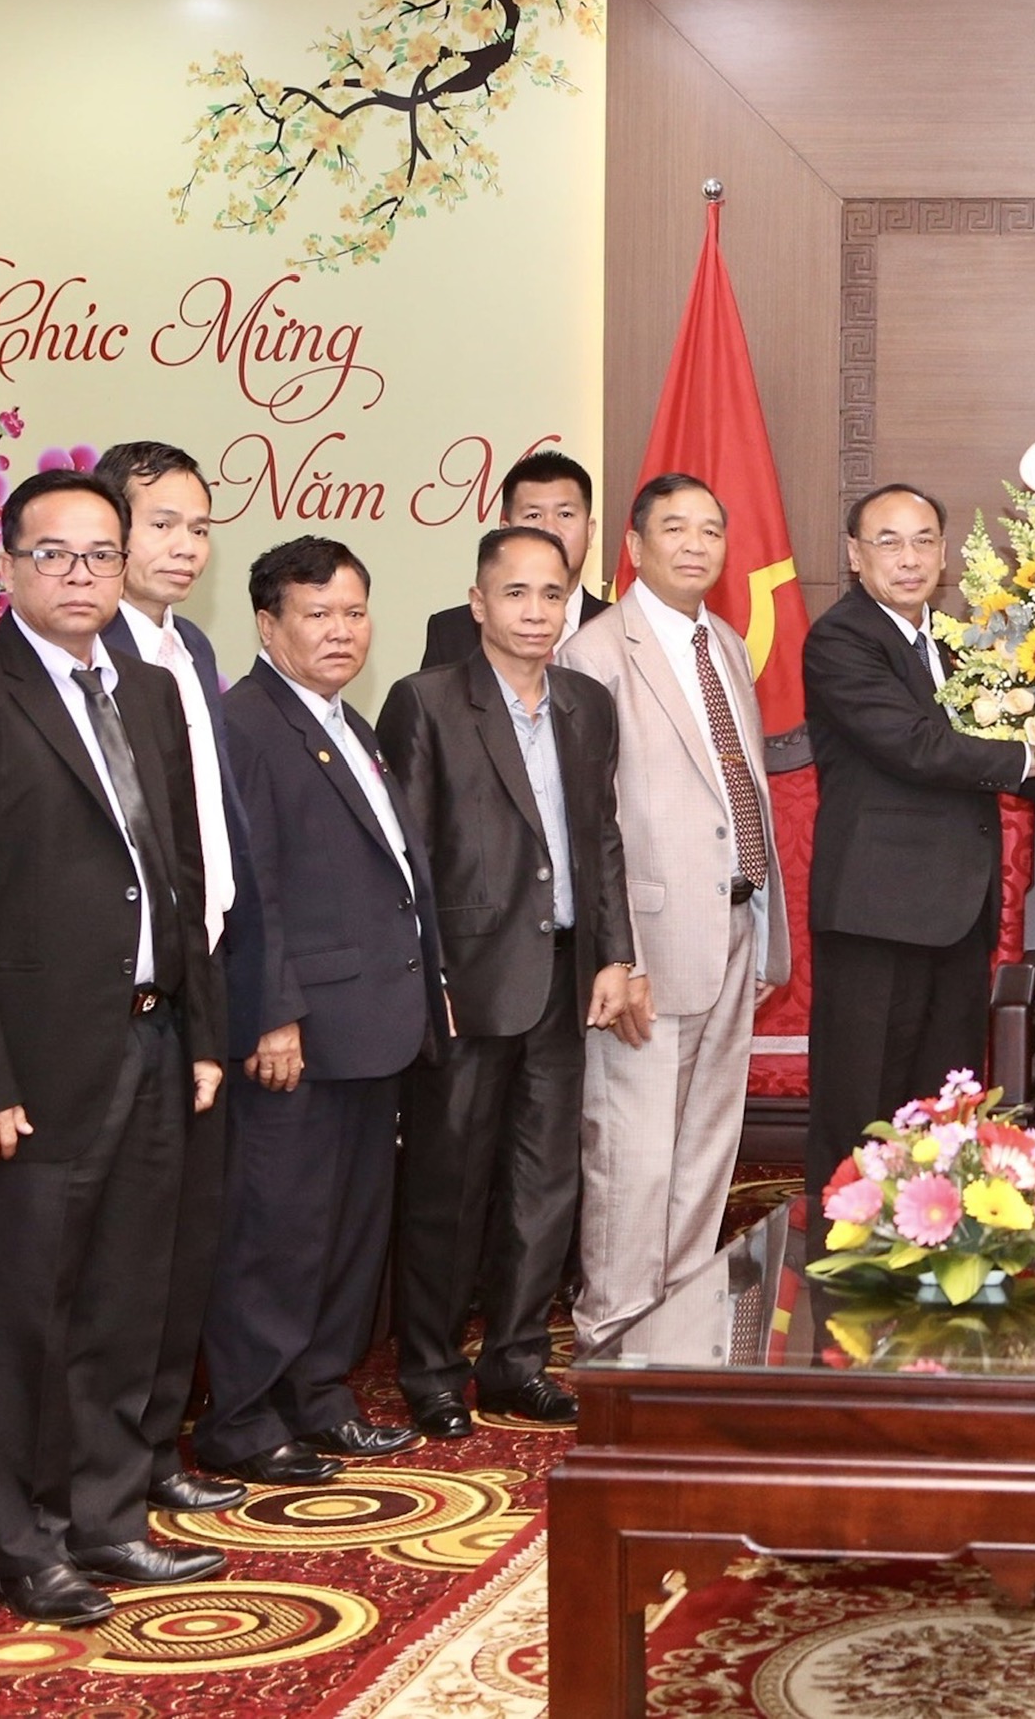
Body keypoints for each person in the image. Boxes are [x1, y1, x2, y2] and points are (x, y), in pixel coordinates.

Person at [0, 469, 228, 1625]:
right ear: (11, 565)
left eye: (99, 554)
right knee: (29, 1312)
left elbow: (176, 880)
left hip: (150, 1044)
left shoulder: (140, 687)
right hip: (27, 1077)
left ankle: (108, 1519)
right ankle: (23, 1543)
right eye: (55, 554)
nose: (81, 574)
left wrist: (203, 1030)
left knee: (128, 1302)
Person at [800, 482, 1035, 1214]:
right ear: (855, 556)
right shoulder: (843, 639)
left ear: (944, 553)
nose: (908, 558)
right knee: (862, 1109)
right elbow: (919, 748)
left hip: (955, 913)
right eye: (888, 541)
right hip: (876, 914)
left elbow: (1026, 745)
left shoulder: (952, 642)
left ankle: (926, 1252)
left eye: (923, 541)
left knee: (940, 1109)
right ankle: (840, 1267)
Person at [197, 537, 443, 1484]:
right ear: (268, 625)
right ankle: (246, 1421)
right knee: (278, 1229)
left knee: (346, 1230)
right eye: (318, 615)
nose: (342, 632)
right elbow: (248, 888)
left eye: (354, 612)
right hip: (295, 1030)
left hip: (372, 1021)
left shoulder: (349, 720)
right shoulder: (249, 724)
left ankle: (321, 1399)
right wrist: (272, 1014)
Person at [379, 528, 636, 1433]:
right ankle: (433, 1369)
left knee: (544, 1183)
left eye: (552, 593)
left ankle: (517, 1359)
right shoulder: (428, 702)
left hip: (565, 980)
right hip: (468, 984)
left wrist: (616, 955)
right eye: (516, 593)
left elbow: (600, 839)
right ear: (478, 603)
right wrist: (425, 981)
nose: (536, 611)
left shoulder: (586, 703)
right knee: (450, 1186)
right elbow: (404, 858)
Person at [558, 474, 788, 1351]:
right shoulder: (596, 653)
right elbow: (592, 822)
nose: (696, 545)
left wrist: (765, 926)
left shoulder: (725, 643)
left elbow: (740, 794)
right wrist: (619, 955)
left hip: (734, 920)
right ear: (635, 542)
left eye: (711, 531)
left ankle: (684, 1314)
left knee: (705, 1144)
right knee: (632, 1146)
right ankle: (612, 1327)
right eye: (675, 529)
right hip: (647, 940)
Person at [92, 440, 252, 1516]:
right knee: (122, 1253)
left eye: (199, 526)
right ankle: (103, 1475)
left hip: (206, 965)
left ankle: (152, 1453)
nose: (185, 545)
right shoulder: (86, 652)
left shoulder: (191, 645)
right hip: (117, 991)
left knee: (188, 1236)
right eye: (163, 524)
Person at [420, 450, 610, 669]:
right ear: (506, 532)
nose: (550, 529)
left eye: (565, 514)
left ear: (590, 531)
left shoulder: (618, 627)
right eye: (533, 515)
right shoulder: (451, 632)